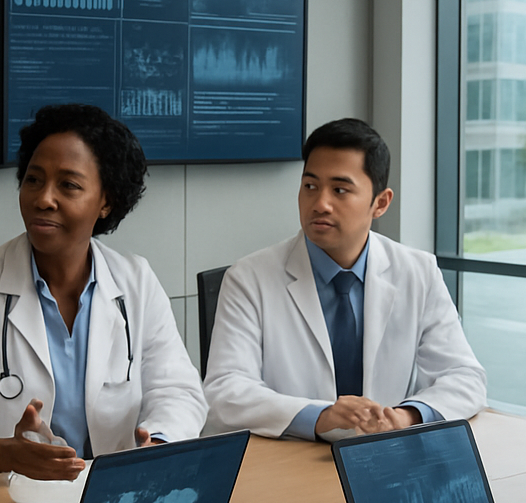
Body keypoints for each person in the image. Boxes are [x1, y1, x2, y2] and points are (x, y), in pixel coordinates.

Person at [0, 103, 206, 482]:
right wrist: (2, 453)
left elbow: (178, 391)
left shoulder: (135, 280)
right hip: (3, 501)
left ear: (106, 200)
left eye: (68, 185)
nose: (43, 198)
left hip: (110, 496)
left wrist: (157, 443)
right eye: (33, 180)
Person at [203, 118, 485, 440]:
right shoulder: (249, 278)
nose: (320, 204)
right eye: (310, 186)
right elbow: (225, 391)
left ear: (380, 203)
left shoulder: (418, 271)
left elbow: (465, 377)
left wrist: (405, 416)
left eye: (340, 190)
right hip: (292, 453)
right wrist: (320, 416)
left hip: (384, 452)